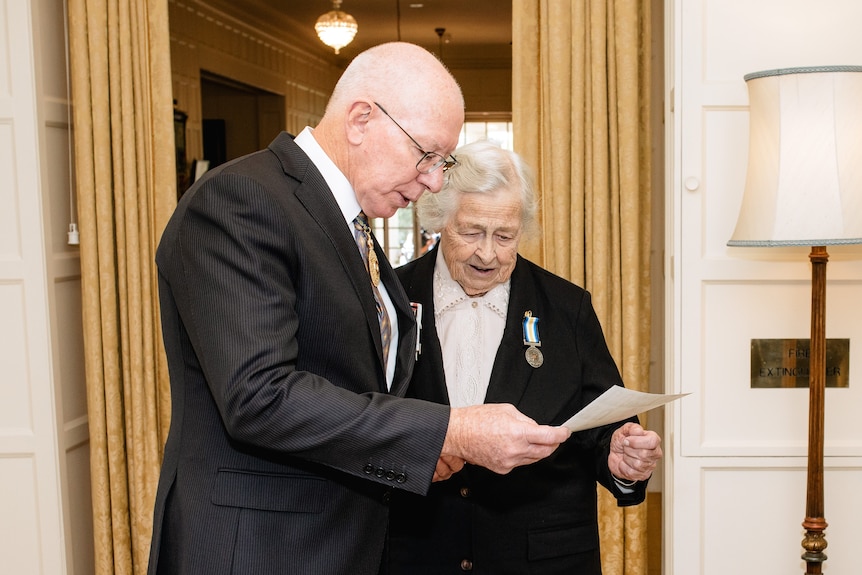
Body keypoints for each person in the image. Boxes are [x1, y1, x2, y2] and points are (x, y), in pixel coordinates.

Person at [147, 44, 570, 575]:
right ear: (361, 119)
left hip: (341, 542)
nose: (435, 181)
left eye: (444, 163)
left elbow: (347, 383)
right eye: (427, 154)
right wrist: (448, 430)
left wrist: (417, 454)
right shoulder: (241, 200)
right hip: (265, 548)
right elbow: (260, 396)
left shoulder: (352, 225)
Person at [386, 140, 663, 575]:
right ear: (440, 219)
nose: (488, 253)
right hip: (417, 550)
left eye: (505, 236)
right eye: (472, 231)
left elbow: (601, 420)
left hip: (542, 559)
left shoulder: (566, 308)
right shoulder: (390, 298)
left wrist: (620, 455)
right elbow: (360, 417)